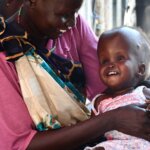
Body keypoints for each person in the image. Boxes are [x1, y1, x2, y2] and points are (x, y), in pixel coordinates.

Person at [0, 0, 150, 150]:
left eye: (75, 12)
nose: (72, 22)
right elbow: (19, 145)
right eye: (63, 15)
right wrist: (112, 120)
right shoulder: (5, 56)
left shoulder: (73, 27)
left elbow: (115, 84)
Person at [85, 26, 150, 150]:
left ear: (140, 69)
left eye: (120, 58)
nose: (110, 65)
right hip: (113, 145)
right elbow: (91, 132)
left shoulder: (143, 92)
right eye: (104, 61)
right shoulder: (99, 101)